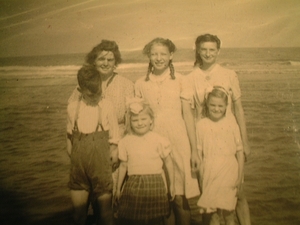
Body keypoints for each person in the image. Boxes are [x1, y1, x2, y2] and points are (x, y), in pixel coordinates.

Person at [187, 33, 251, 225]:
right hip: (206, 139)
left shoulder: (228, 74)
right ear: (197, 50)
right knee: (209, 195)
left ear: (218, 51)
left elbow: (238, 109)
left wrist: (245, 141)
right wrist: (194, 150)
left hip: (229, 136)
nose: (208, 53)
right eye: (204, 49)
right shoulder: (191, 77)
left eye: (212, 49)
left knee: (238, 192)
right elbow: (191, 113)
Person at [135, 37, 200, 225]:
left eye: (163, 54)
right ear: (149, 56)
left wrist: (194, 150)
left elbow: (188, 116)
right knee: (161, 198)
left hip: (178, 142)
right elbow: (137, 118)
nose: (159, 58)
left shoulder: (182, 80)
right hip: (152, 143)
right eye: (154, 54)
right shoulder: (140, 83)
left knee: (180, 197)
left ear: (171, 55)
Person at [68, 40, 134, 220]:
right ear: (93, 61)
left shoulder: (126, 85)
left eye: (110, 60)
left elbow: (131, 124)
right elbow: (72, 119)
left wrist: (119, 151)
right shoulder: (81, 86)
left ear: (116, 62)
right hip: (87, 154)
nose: (105, 63)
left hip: (115, 151)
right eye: (101, 59)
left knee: (111, 206)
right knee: (86, 205)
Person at [66, 65, 119, 225]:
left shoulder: (106, 106)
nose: (96, 97)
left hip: (101, 169)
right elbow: (69, 139)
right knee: (78, 215)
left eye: (98, 92)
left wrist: (112, 157)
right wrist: (74, 160)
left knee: (105, 214)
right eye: (91, 94)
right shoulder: (72, 108)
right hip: (79, 170)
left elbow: (115, 139)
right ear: (80, 89)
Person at [115, 98, 175, 225]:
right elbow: (123, 166)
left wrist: (172, 185)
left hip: (155, 182)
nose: (139, 123)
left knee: (156, 220)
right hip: (134, 183)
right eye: (135, 120)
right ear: (130, 122)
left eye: (143, 119)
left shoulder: (158, 139)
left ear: (151, 120)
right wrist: (118, 188)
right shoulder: (126, 141)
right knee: (135, 219)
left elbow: (168, 163)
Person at [196, 86, 244, 225]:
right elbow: (199, 154)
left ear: (226, 106)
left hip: (229, 171)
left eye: (220, 106)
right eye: (212, 105)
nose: (216, 109)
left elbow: (240, 153)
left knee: (229, 212)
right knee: (213, 215)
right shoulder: (201, 125)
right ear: (207, 105)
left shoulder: (231, 124)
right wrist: (201, 177)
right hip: (209, 171)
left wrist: (240, 177)